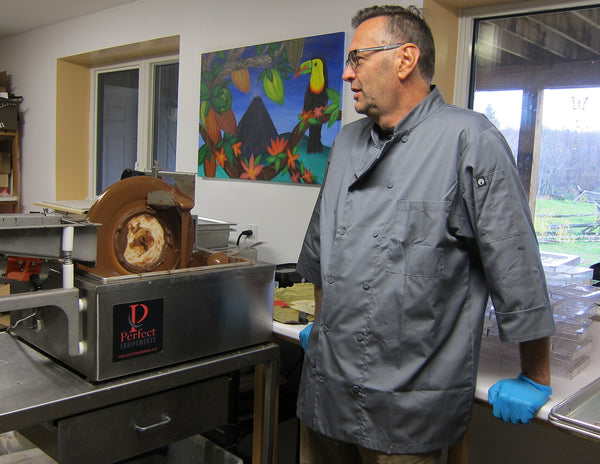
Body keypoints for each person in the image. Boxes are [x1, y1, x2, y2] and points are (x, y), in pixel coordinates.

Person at [295, 5, 555, 464]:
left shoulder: (470, 140)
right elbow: (318, 249)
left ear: (405, 59)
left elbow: (515, 266)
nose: (345, 74)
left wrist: (535, 373)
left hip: (408, 411)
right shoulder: (345, 142)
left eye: (357, 58)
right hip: (325, 391)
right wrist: (318, 325)